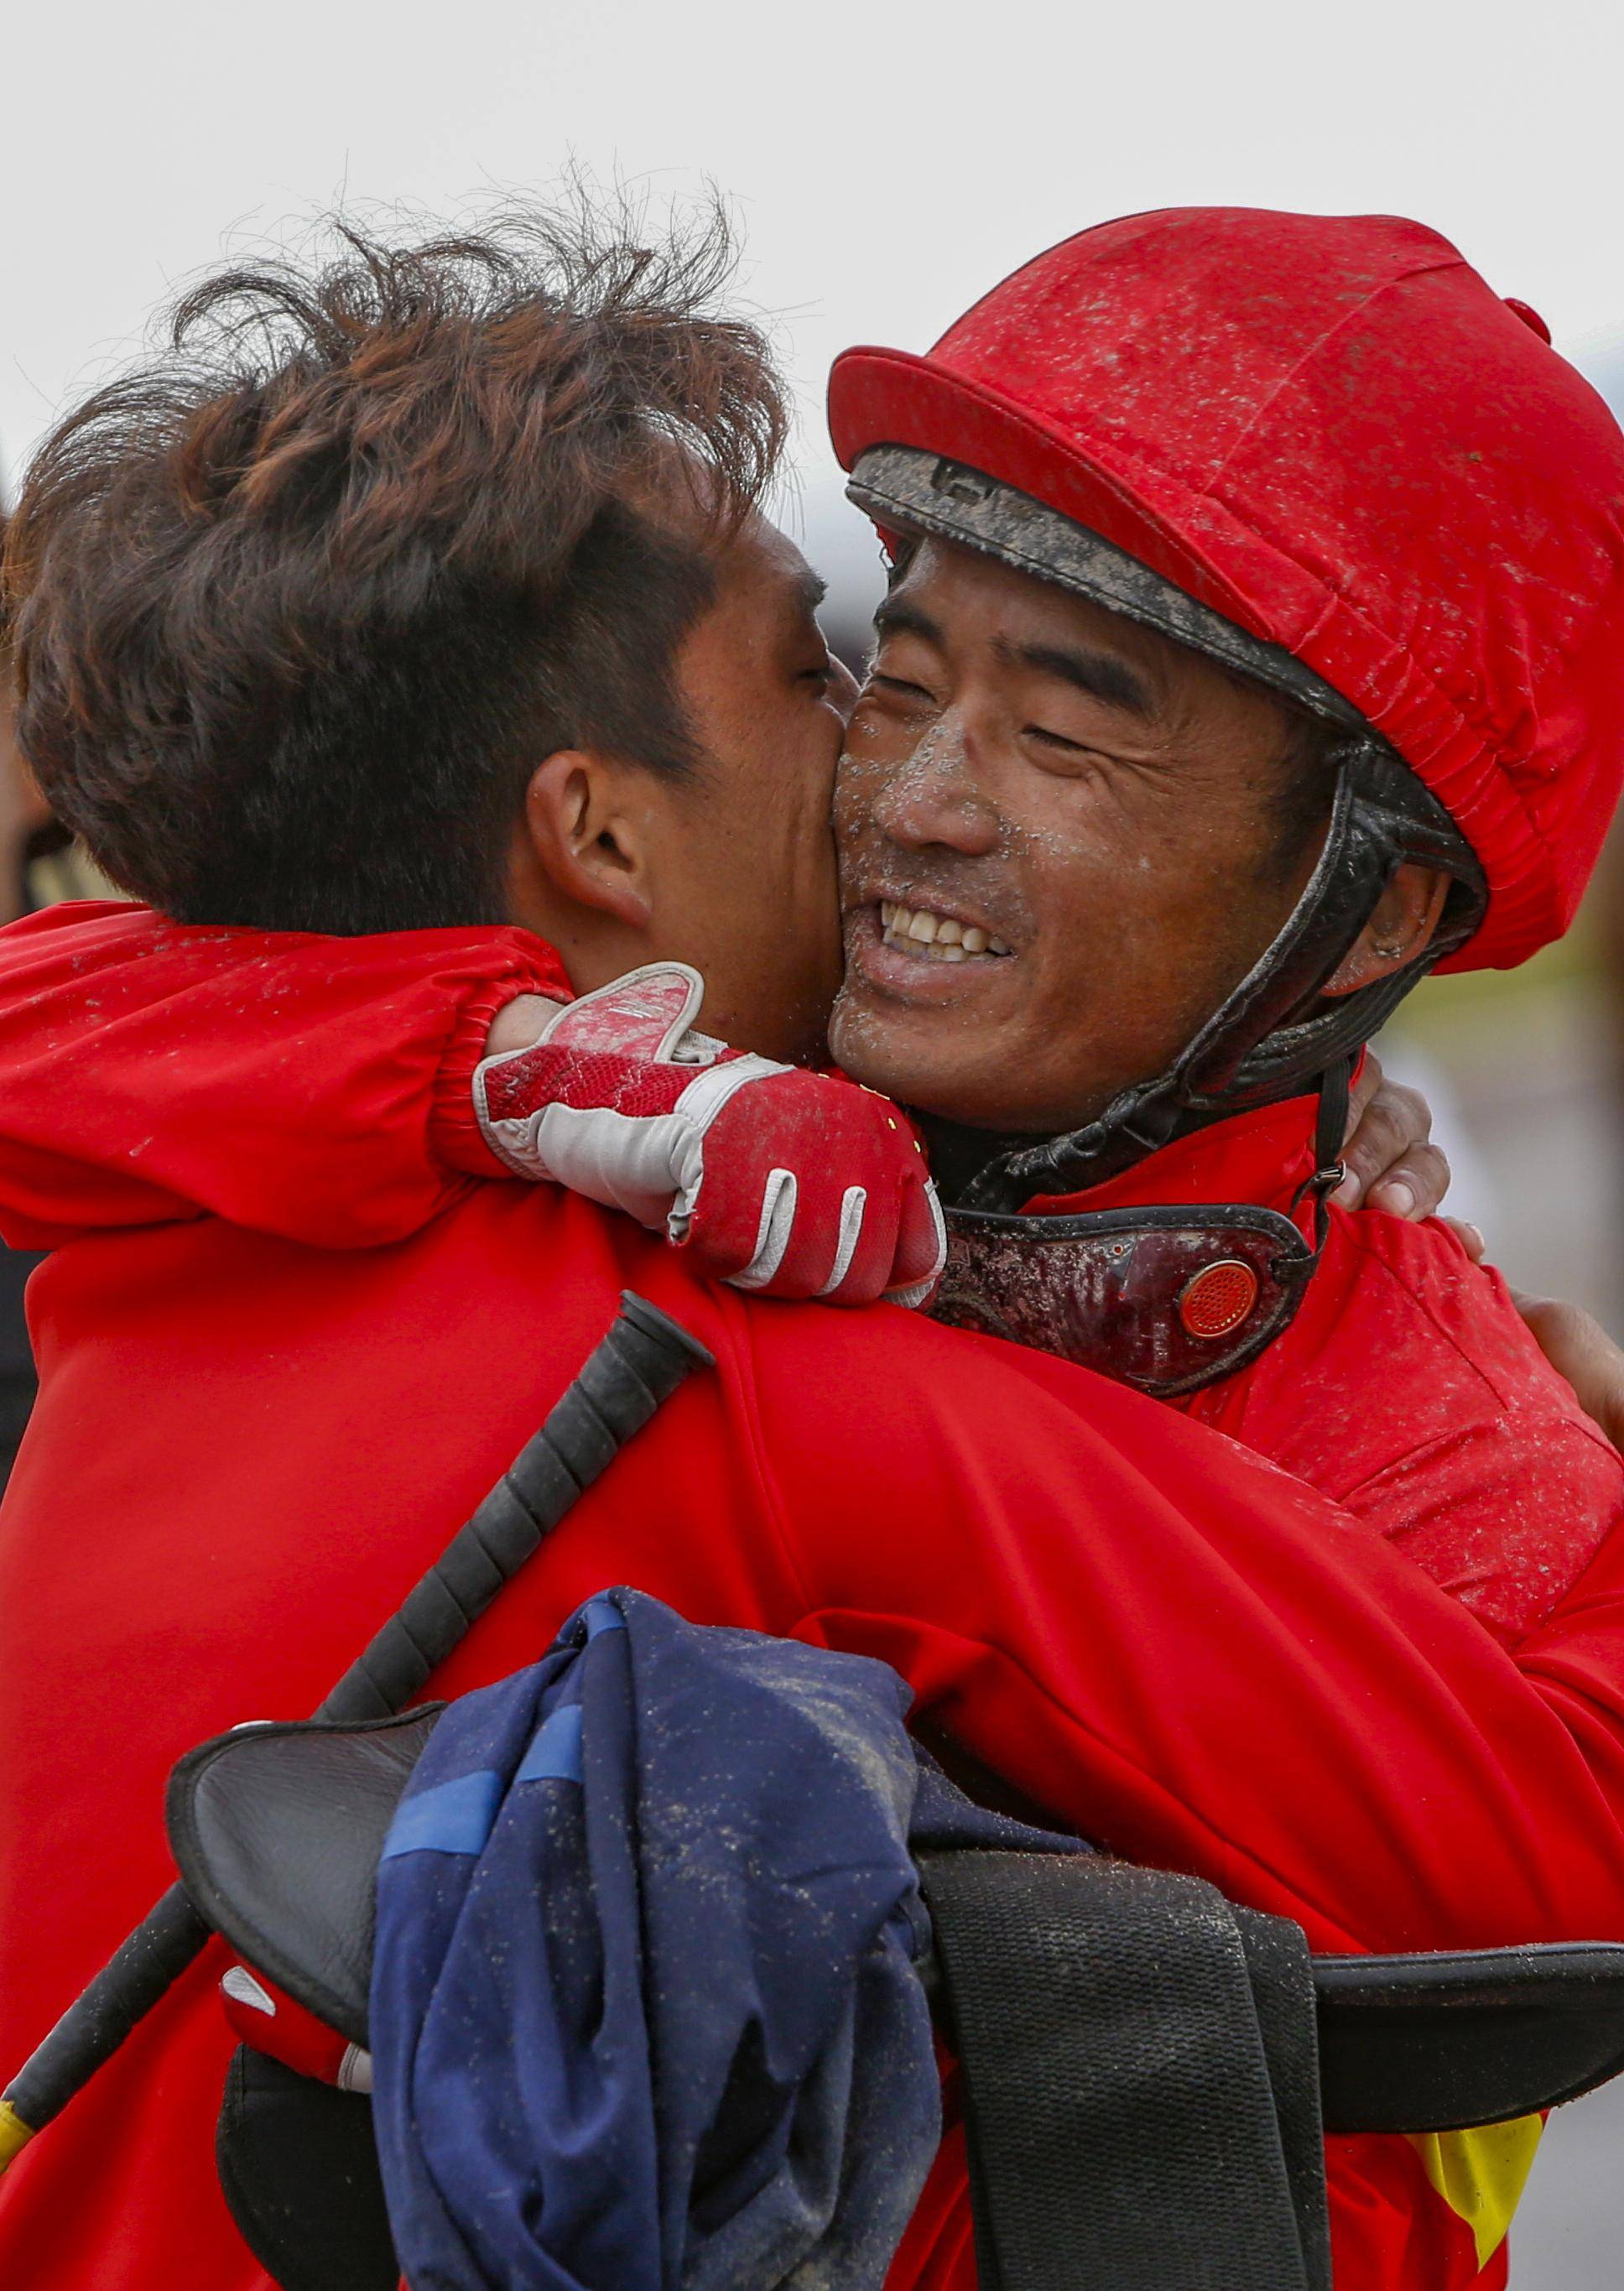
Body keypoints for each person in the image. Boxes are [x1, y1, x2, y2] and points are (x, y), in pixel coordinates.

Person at [3, 207, 1624, 2291]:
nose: (909, 795)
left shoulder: (214, 1208)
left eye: (1061, 727)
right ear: (592, 827)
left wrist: (499, 1070)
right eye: (865, 672)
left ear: (1367, 912)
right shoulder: (705, 1294)